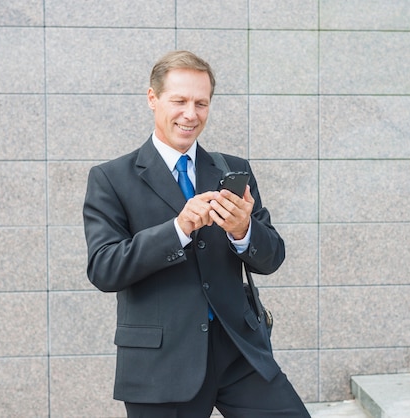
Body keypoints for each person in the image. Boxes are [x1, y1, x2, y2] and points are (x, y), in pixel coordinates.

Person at [83, 50, 310, 418]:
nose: (191, 114)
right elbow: (104, 269)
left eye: (201, 103)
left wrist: (244, 231)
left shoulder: (233, 169)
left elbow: (273, 257)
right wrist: (178, 229)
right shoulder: (111, 178)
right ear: (153, 99)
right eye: (180, 101)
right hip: (161, 364)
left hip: (239, 351)